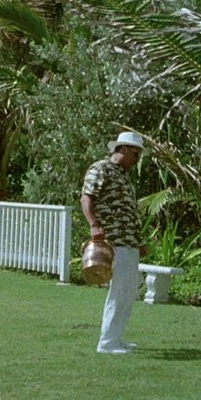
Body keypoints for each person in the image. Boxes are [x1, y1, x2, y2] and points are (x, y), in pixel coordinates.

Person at [80, 131, 148, 354]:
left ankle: (117, 338)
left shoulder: (123, 177)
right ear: (124, 149)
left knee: (129, 291)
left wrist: (139, 242)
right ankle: (107, 342)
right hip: (113, 241)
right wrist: (93, 224)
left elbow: (129, 212)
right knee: (119, 291)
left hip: (129, 242)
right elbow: (87, 196)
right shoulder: (101, 168)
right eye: (136, 154)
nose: (137, 159)